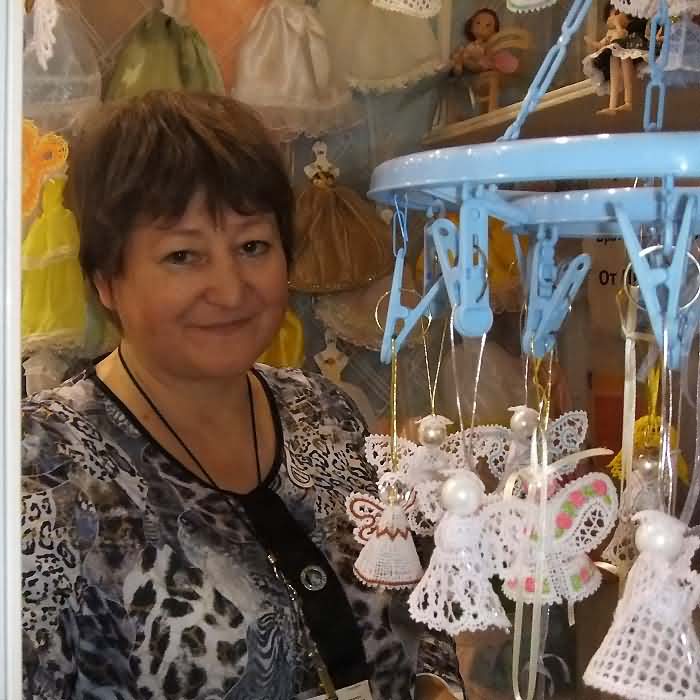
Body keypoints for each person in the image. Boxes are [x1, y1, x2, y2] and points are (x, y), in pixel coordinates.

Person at [21, 91, 465, 700]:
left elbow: (420, 613)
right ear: (106, 280)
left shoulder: (323, 412)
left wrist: (439, 684)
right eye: (183, 256)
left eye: (252, 246)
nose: (230, 291)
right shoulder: (42, 466)